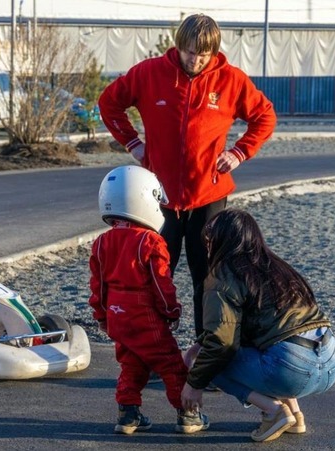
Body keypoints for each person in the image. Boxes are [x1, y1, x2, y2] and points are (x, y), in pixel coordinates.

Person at [98, 13, 277, 338]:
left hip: (208, 195)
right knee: (153, 271)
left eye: (203, 54)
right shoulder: (149, 73)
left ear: (213, 52)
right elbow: (109, 103)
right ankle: (153, 345)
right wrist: (133, 143)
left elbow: (264, 116)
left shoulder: (231, 80)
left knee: (207, 276)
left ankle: (205, 348)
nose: (195, 60)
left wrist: (239, 152)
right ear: (178, 46)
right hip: (158, 197)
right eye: (189, 52)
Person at [180, 209, 335, 442]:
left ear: (220, 240)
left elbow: (221, 344)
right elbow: (264, 325)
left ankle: (273, 412)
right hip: (331, 362)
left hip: (292, 370)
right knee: (271, 343)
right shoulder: (276, 266)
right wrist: (197, 345)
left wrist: (193, 384)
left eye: (209, 239)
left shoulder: (223, 275)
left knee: (212, 363)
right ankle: (295, 416)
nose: (206, 245)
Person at [87, 165, 209, 435]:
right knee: (171, 364)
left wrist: (102, 316)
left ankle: (127, 414)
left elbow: (98, 286)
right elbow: (161, 283)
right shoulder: (150, 241)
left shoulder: (101, 242)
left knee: (132, 363)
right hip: (144, 315)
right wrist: (171, 311)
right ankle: (188, 415)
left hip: (117, 314)